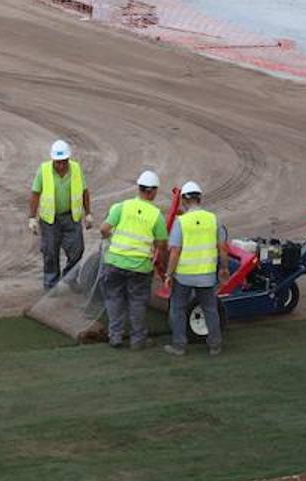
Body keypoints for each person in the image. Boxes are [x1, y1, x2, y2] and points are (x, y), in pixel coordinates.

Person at [99, 170, 167, 349]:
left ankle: (115, 336)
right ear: (153, 191)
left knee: (114, 299)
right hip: (140, 267)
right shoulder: (156, 215)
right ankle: (137, 340)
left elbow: (104, 229)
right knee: (137, 302)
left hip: (114, 262)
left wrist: (113, 239)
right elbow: (162, 244)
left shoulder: (121, 207)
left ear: (139, 188)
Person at [163, 181, 230, 357]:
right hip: (207, 276)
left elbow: (175, 252)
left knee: (177, 309)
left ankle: (179, 346)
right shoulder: (214, 220)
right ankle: (214, 345)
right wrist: (223, 268)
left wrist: (168, 274)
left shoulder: (181, 222)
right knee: (210, 309)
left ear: (184, 199)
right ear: (199, 198)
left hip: (184, 276)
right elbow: (223, 248)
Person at [27, 139, 93, 290]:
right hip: (50, 220)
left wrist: (88, 213)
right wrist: (32, 217)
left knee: (77, 250)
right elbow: (35, 194)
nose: (61, 165)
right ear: (53, 160)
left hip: (71, 217)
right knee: (50, 252)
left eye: (64, 162)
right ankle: (51, 284)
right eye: (58, 162)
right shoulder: (43, 170)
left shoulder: (76, 169)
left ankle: (70, 277)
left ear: (68, 159)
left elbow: (84, 192)